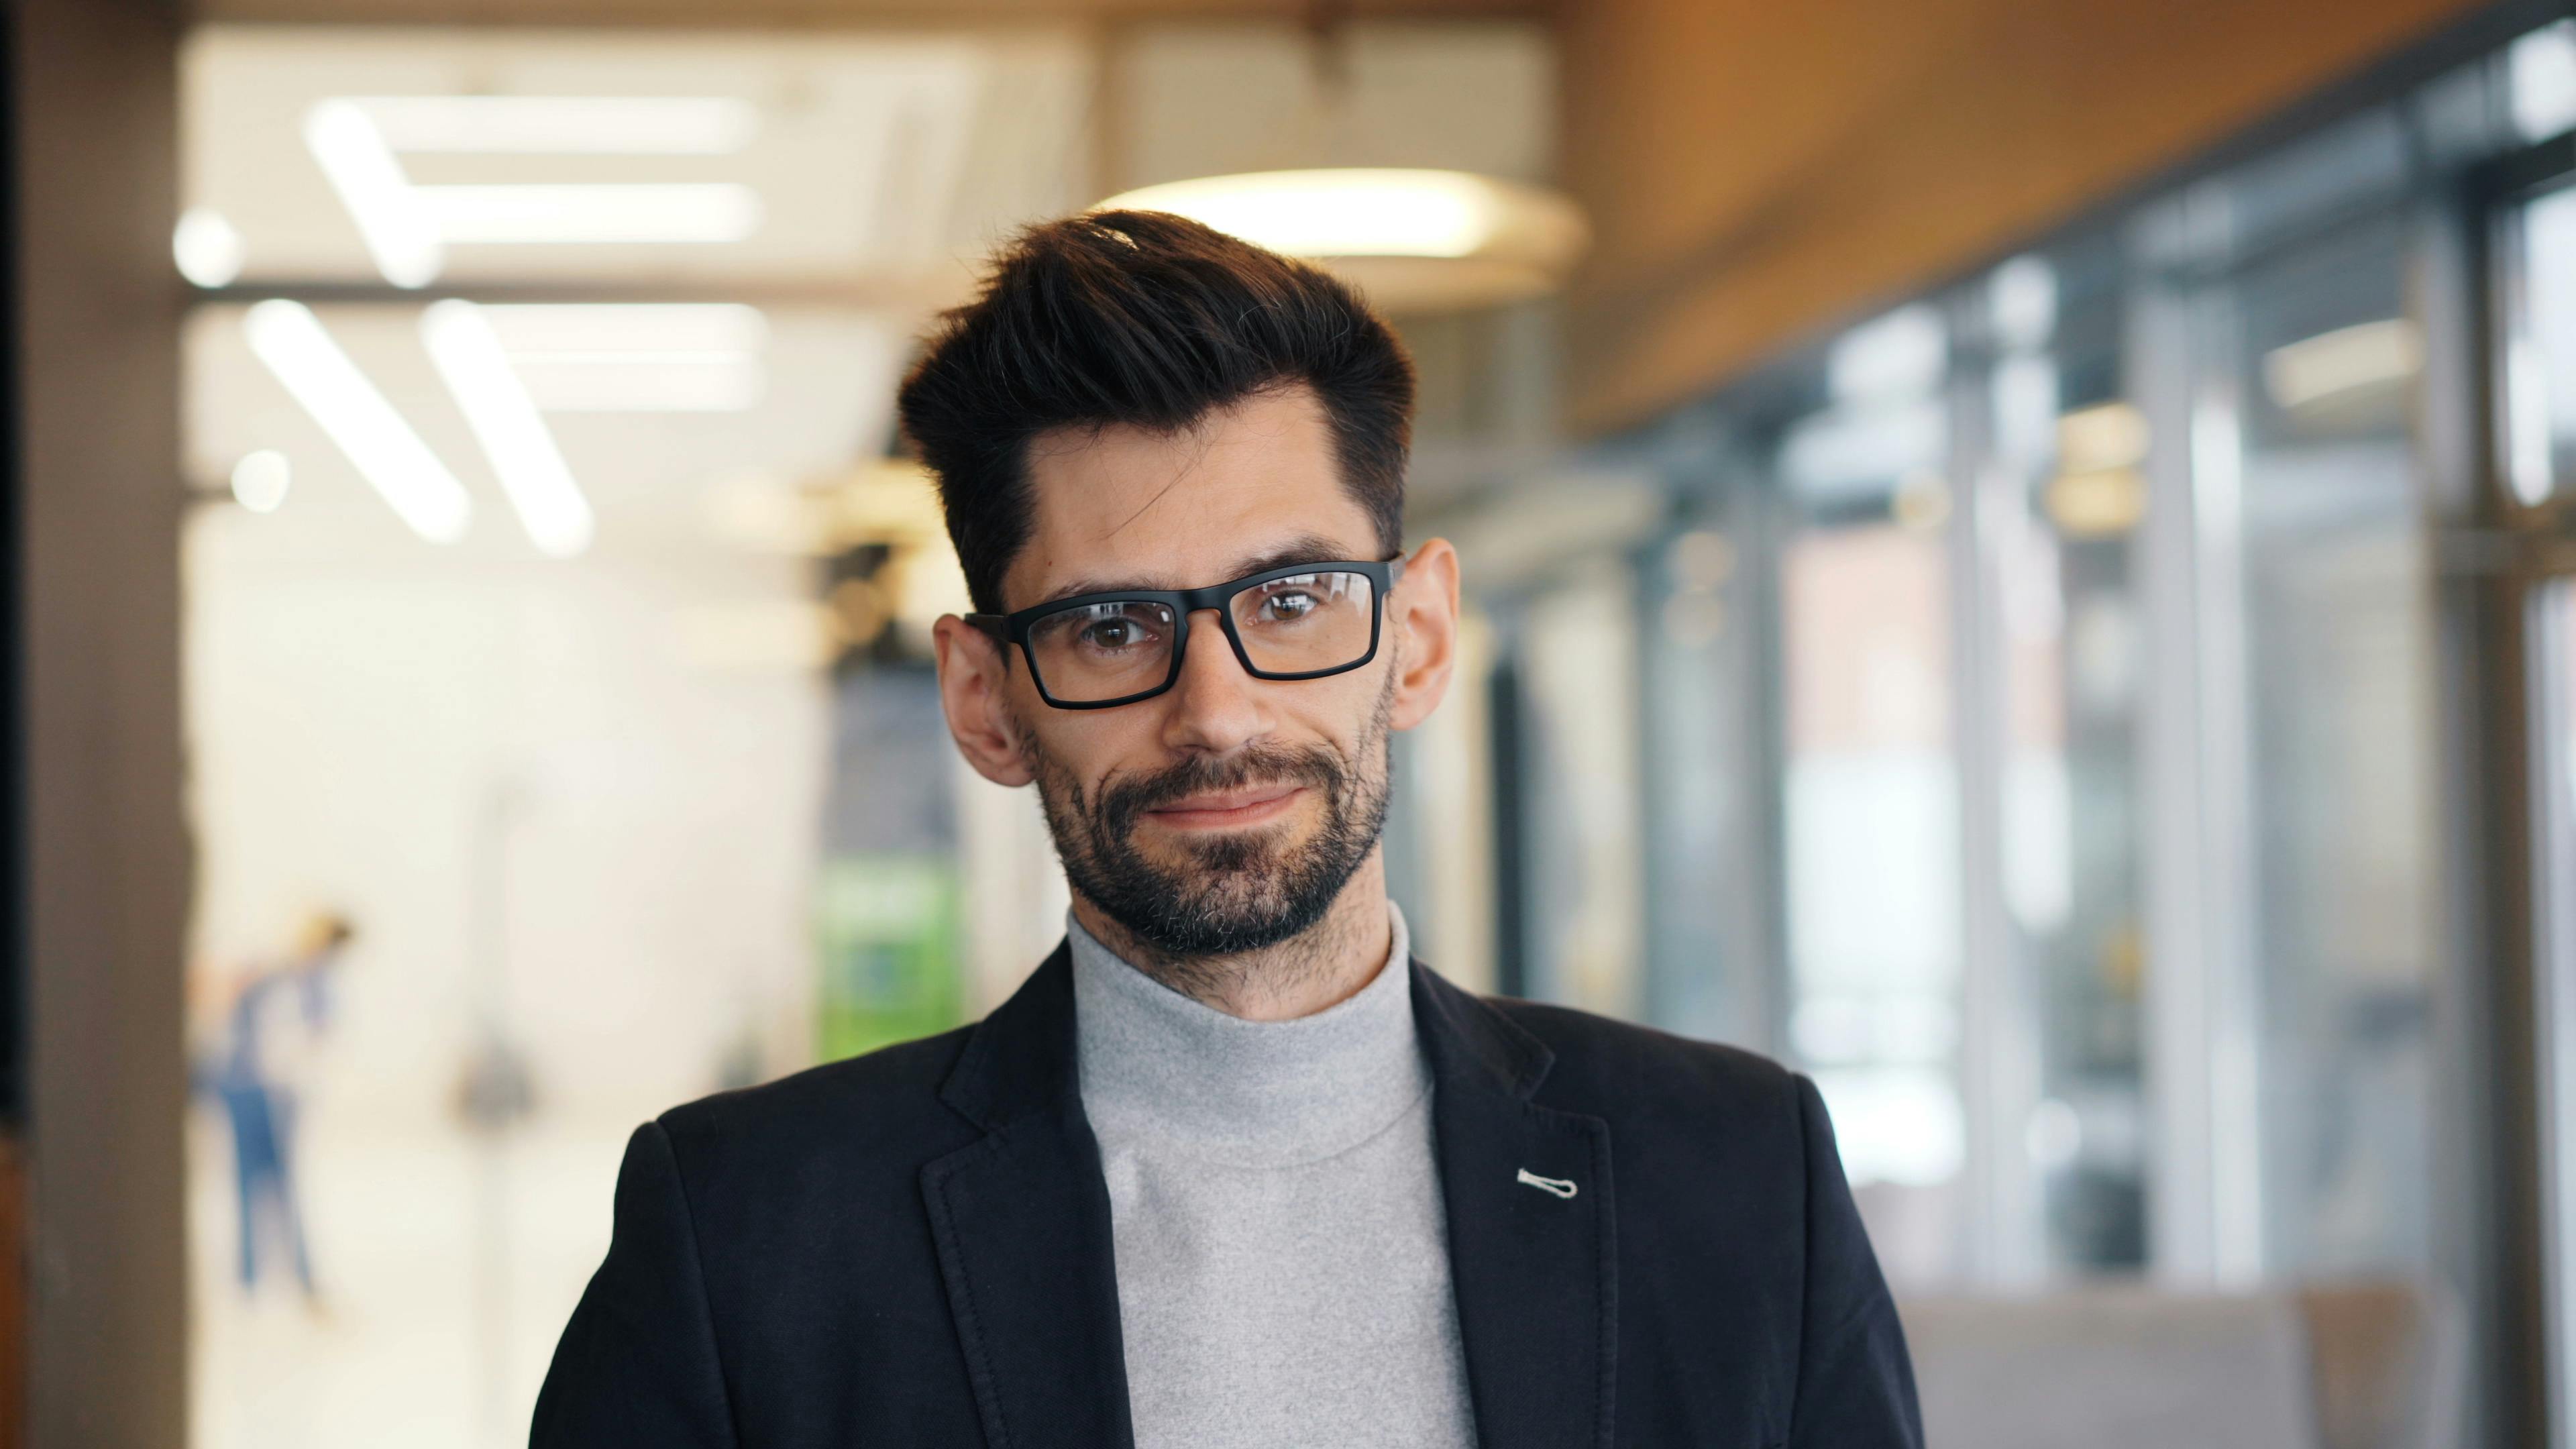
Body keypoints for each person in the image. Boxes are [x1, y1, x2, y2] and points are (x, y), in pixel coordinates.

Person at [531, 211, 1922, 1448]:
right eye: (1110, 625)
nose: (1217, 711)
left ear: (1419, 639)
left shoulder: (1739, 1179)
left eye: (1294, 599)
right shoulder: (745, 1238)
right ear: (986, 701)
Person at [197, 911, 353, 1311]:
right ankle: (249, 1284)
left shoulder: (315, 986)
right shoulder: (272, 971)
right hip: (244, 1086)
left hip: (279, 1093)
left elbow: (305, 1042)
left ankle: (301, 1283)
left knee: (282, 1188)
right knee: (248, 1185)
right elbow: (230, 1007)